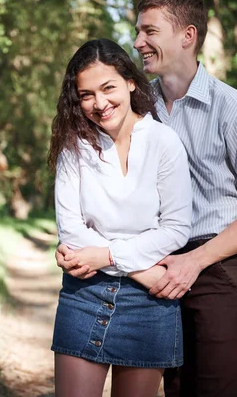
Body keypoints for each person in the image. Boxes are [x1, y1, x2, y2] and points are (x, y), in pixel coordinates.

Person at [55, 0, 237, 396]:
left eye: (149, 31)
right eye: (137, 31)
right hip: (154, 267)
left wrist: (195, 260)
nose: (138, 42)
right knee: (176, 390)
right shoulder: (138, 105)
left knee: (214, 389)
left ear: (188, 36)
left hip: (216, 265)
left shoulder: (235, 111)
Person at [48, 38, 193, 397]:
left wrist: (107, 256)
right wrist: (141, 270)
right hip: (88, 292)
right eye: (86, 94)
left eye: (108, 87)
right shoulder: (74, 147)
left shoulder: (164, 142)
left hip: (149, 306)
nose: (99, 104)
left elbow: (176, 229)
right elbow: (71, 231)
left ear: (130, 80)